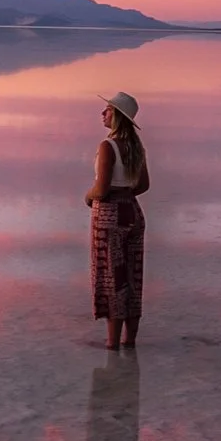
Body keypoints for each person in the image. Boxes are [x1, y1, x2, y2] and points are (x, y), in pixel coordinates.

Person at [87, 91, 148, 349]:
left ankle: (112, 345)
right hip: (133, 212)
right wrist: (125, 194)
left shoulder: (107, 146)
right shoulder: (136, 147)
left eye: (108, 110)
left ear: (117, 117)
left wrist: (89, 196)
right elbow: (144, 185)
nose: (103, 113)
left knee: (111, 275)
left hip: (110, 216)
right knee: (132, 276)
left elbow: (101, 189)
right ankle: (129, 342)